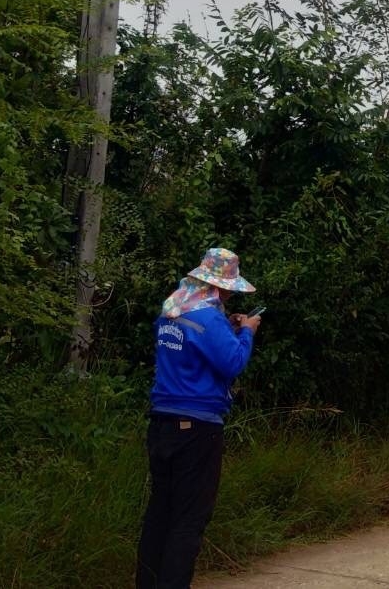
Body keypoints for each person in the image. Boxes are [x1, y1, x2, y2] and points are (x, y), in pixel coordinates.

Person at [136, 248, 262, 589]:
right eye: (229, 289)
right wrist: (247, 331)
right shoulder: (209, 318)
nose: (230, 295)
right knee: (188, 519)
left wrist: (229, 327)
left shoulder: (171, 311)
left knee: (160, 514)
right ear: (218, 287)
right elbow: (233, 363)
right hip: (198, 428)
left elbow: (193, 351)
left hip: (162, 423)